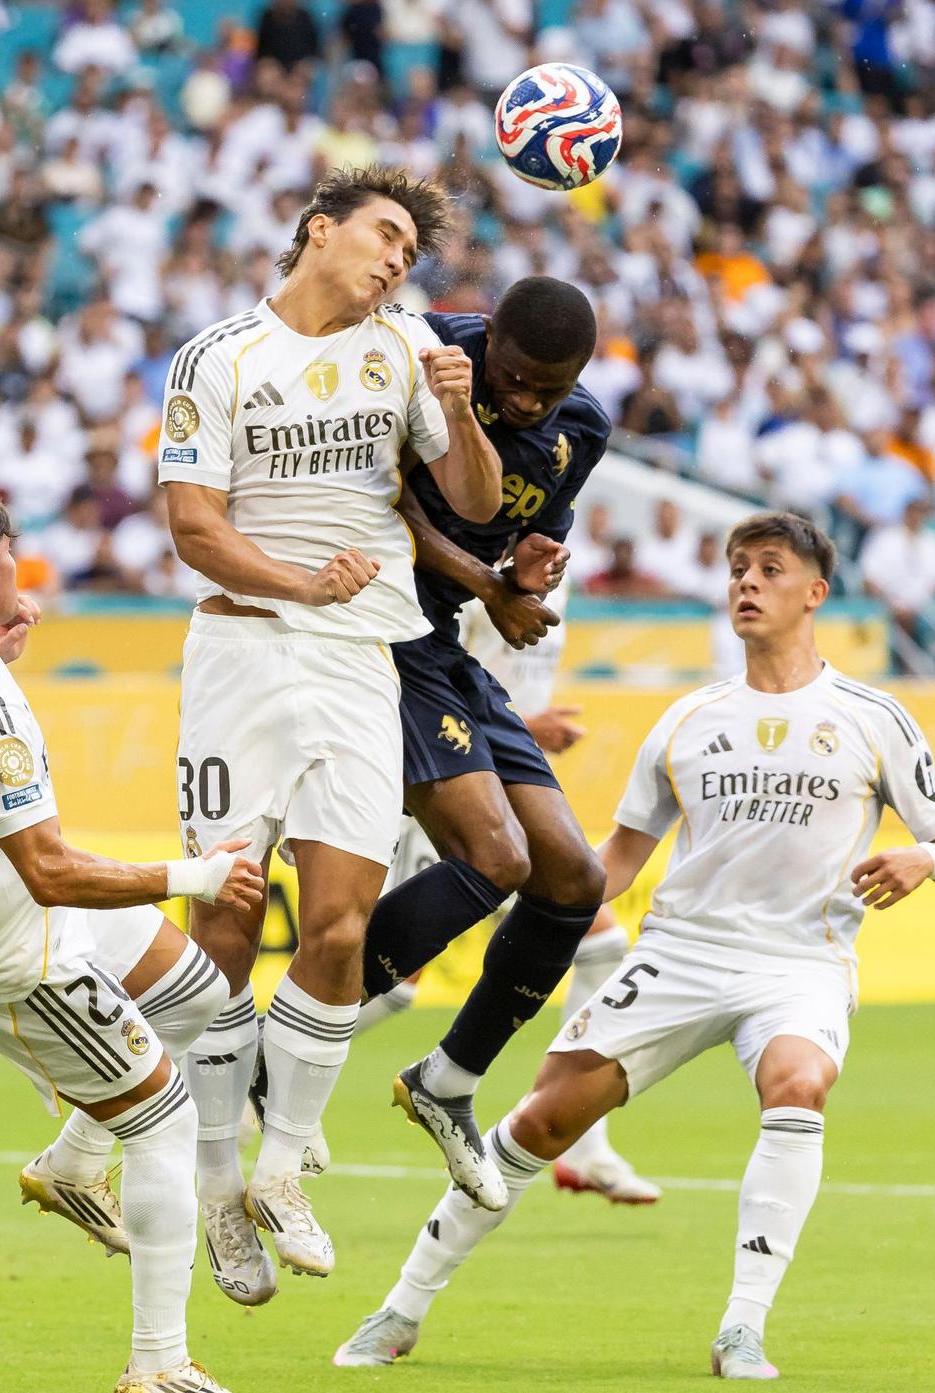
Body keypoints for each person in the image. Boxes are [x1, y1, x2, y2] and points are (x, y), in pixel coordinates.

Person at [335, 510, 935, 1380]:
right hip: (678, 956)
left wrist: (926, 854)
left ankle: (741, 1329)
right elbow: (613, 865)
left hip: (799, 965)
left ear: (815, 594)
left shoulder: (875, 716)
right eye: (738, 568)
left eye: (770, 569)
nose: (747, 582)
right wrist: (517, 912)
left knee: (798, 1085)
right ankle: (399, 1308)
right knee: (541, 1122)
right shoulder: (688, 719)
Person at [158, 166, 502, 1300]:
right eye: (386, 236)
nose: (400, 261)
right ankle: (216, 1188)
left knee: (345, 925)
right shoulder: (218, 359)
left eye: (412, 250)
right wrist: (300, 584)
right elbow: (194, 528)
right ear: (320, 231)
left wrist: (455, 408)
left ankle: (282, 1163)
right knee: (224, 915)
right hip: (245, 654)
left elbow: (477, 501)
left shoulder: (404, 348)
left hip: (361, 657)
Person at [0, 483, 264, 1393]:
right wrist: (192, 875)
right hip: (19, 952)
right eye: (11, 557)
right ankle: (157, 1366)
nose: (22, 576)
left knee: (198, 993)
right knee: (165, 1118)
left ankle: (73, 1163)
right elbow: (49, 868)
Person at [357, 278, 611, 1211]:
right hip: (377, 628)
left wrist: (528, 567)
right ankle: (296, 1034)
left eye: (549, 387)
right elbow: (381, 506)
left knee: (574, 880)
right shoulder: (419, 355)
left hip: (450, 643)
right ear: (487, 336)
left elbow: (528, 540)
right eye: (513, 376)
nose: (527, 401)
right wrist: (489, 584)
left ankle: (447, 1083)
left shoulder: (581, 426)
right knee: (494, 855)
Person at [356, 573, 662, 1206]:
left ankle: (584, 1144)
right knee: (396, 987)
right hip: (442, 777)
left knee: (596, 932)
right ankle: (259, 1068)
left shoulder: (553, 562)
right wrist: (528, 725)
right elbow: (410, 671)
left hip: (500, 775)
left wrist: (518, 734)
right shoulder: (470, 563)